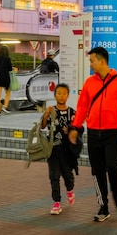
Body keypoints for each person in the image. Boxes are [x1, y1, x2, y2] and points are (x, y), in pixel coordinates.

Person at [68, 46, 117, 222]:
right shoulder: (90, 82)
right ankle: (103, 206)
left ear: (102, 61)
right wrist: (75, 127)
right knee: (97, 170)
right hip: (94, 132)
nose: (91, 64)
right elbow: (82, 107)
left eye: (92, 61)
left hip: (113, 132)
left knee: (112, 166)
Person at [41, 83, 77, 215]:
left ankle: (70, 189)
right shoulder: (51, 111)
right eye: (59, 93)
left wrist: (72, 130)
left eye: (64, 93)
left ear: (68, 95)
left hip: (67, 150)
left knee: (67, 174)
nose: (61, 96)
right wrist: (45, 114)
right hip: (53, 150)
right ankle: (56, 202)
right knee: (53, 176)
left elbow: (78, 128)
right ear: (55, 95)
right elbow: (42, 126)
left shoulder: (72, 112)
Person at [0, 45, 15, 115]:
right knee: (8, 92)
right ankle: (5, 106)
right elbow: (10, 69)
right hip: (5, 78)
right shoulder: (7, 58)